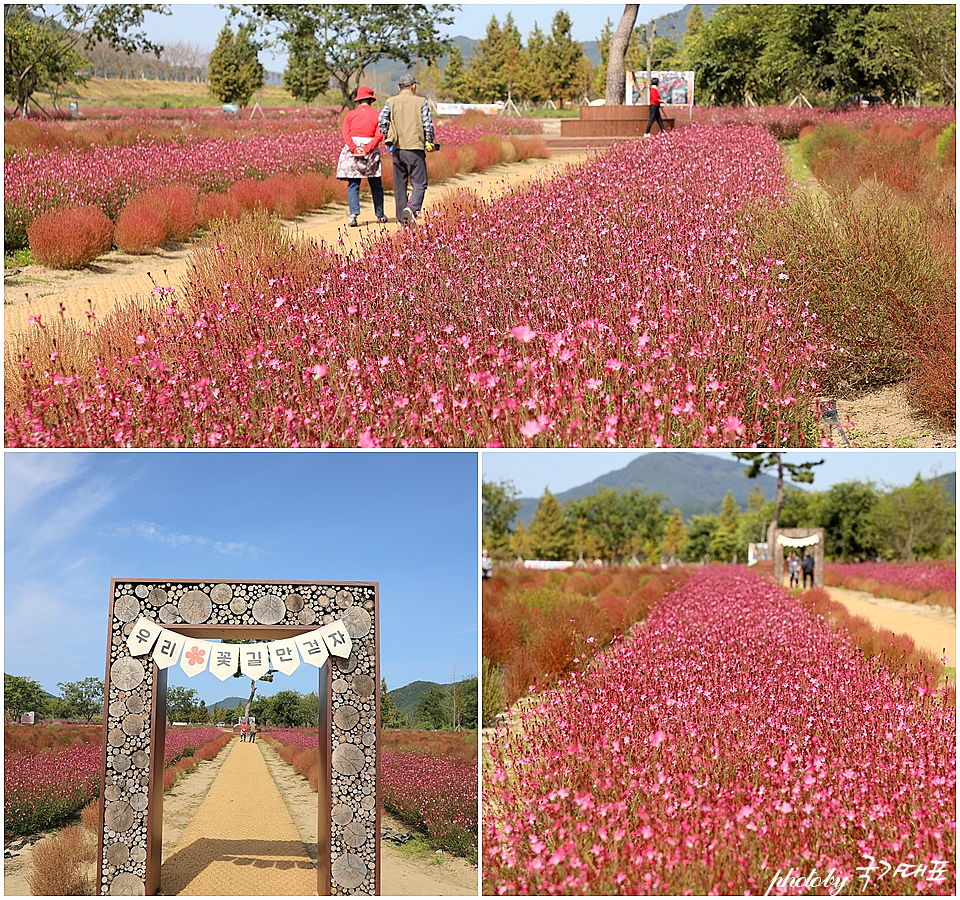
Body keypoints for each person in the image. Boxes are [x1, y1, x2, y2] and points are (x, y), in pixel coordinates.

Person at [378, 73, 435, 227]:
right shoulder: (421, 102)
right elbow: (427, 125)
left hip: (397, 149)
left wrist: (388, 135)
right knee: (420, 183)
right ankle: (412, 208)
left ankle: (403, 220)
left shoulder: (391, 101)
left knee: (400, 184)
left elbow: (382, 120)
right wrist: (429, 141)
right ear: (413, 86)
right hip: (415, 148)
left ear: (399, 87)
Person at [336, 86, 387, 228]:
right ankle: (380, 214)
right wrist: (366, 149)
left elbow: (346, 134)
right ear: (371, 100)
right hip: (370, 151)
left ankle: (353, 215)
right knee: (376, 184)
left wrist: (354, 148)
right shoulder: (378, 115)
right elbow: (379, 134)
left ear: (358, 101)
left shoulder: (349, 115)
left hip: (353, 151)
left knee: (353, 184)